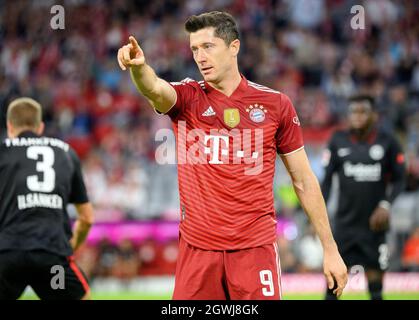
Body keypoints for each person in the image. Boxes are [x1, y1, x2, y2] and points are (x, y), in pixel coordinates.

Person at [117, 11, 347, 300]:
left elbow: (303, 180)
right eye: (194, 49)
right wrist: (139, 68)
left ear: (233, 47)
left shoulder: (275, 105)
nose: (200, 57)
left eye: (208, 47)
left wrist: (330, 248)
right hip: (198, 251)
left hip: (255, 250)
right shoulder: (187, 97)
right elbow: (154, 87)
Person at [0, 97, 94, 300]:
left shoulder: (3, 151)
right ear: (40, 127)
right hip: (51, 257)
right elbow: (86, 218)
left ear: (9, 126)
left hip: (7, 256)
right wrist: (72, 246)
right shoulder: (66, 152)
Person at [321, 94, 406, 300]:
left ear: (374, 115)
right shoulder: (337, 140)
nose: (357, 116)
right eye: (353, 112)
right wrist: (321, 218)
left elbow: (400, 178)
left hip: (374, 226)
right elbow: (327, 181)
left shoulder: (388, 142)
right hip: (344, 226)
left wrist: (385, 205)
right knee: (333, 286)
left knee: (376, 286)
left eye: (363, 111)